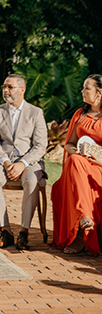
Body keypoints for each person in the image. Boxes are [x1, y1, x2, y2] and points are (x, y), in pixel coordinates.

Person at [0, 74, 48, 251]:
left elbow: (41, 145)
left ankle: (24, 232)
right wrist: (5, 162)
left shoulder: (36, 113)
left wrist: (23, 163)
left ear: (22, 90)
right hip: (4, 160)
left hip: (29, 161)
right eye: (4, 87)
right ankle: (5, 231)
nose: (5, 90)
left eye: (10, 87)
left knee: (32, 181)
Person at [51, 73, 102, 255]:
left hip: (100, 168)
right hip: (80, 166)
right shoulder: (80, 115)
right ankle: (84, 218)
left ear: (99, 93)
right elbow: (70, 145)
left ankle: (82, 233)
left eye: (87, 88)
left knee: (76, 164)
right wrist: (80, 154)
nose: (82, 91)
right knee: (75, 160)